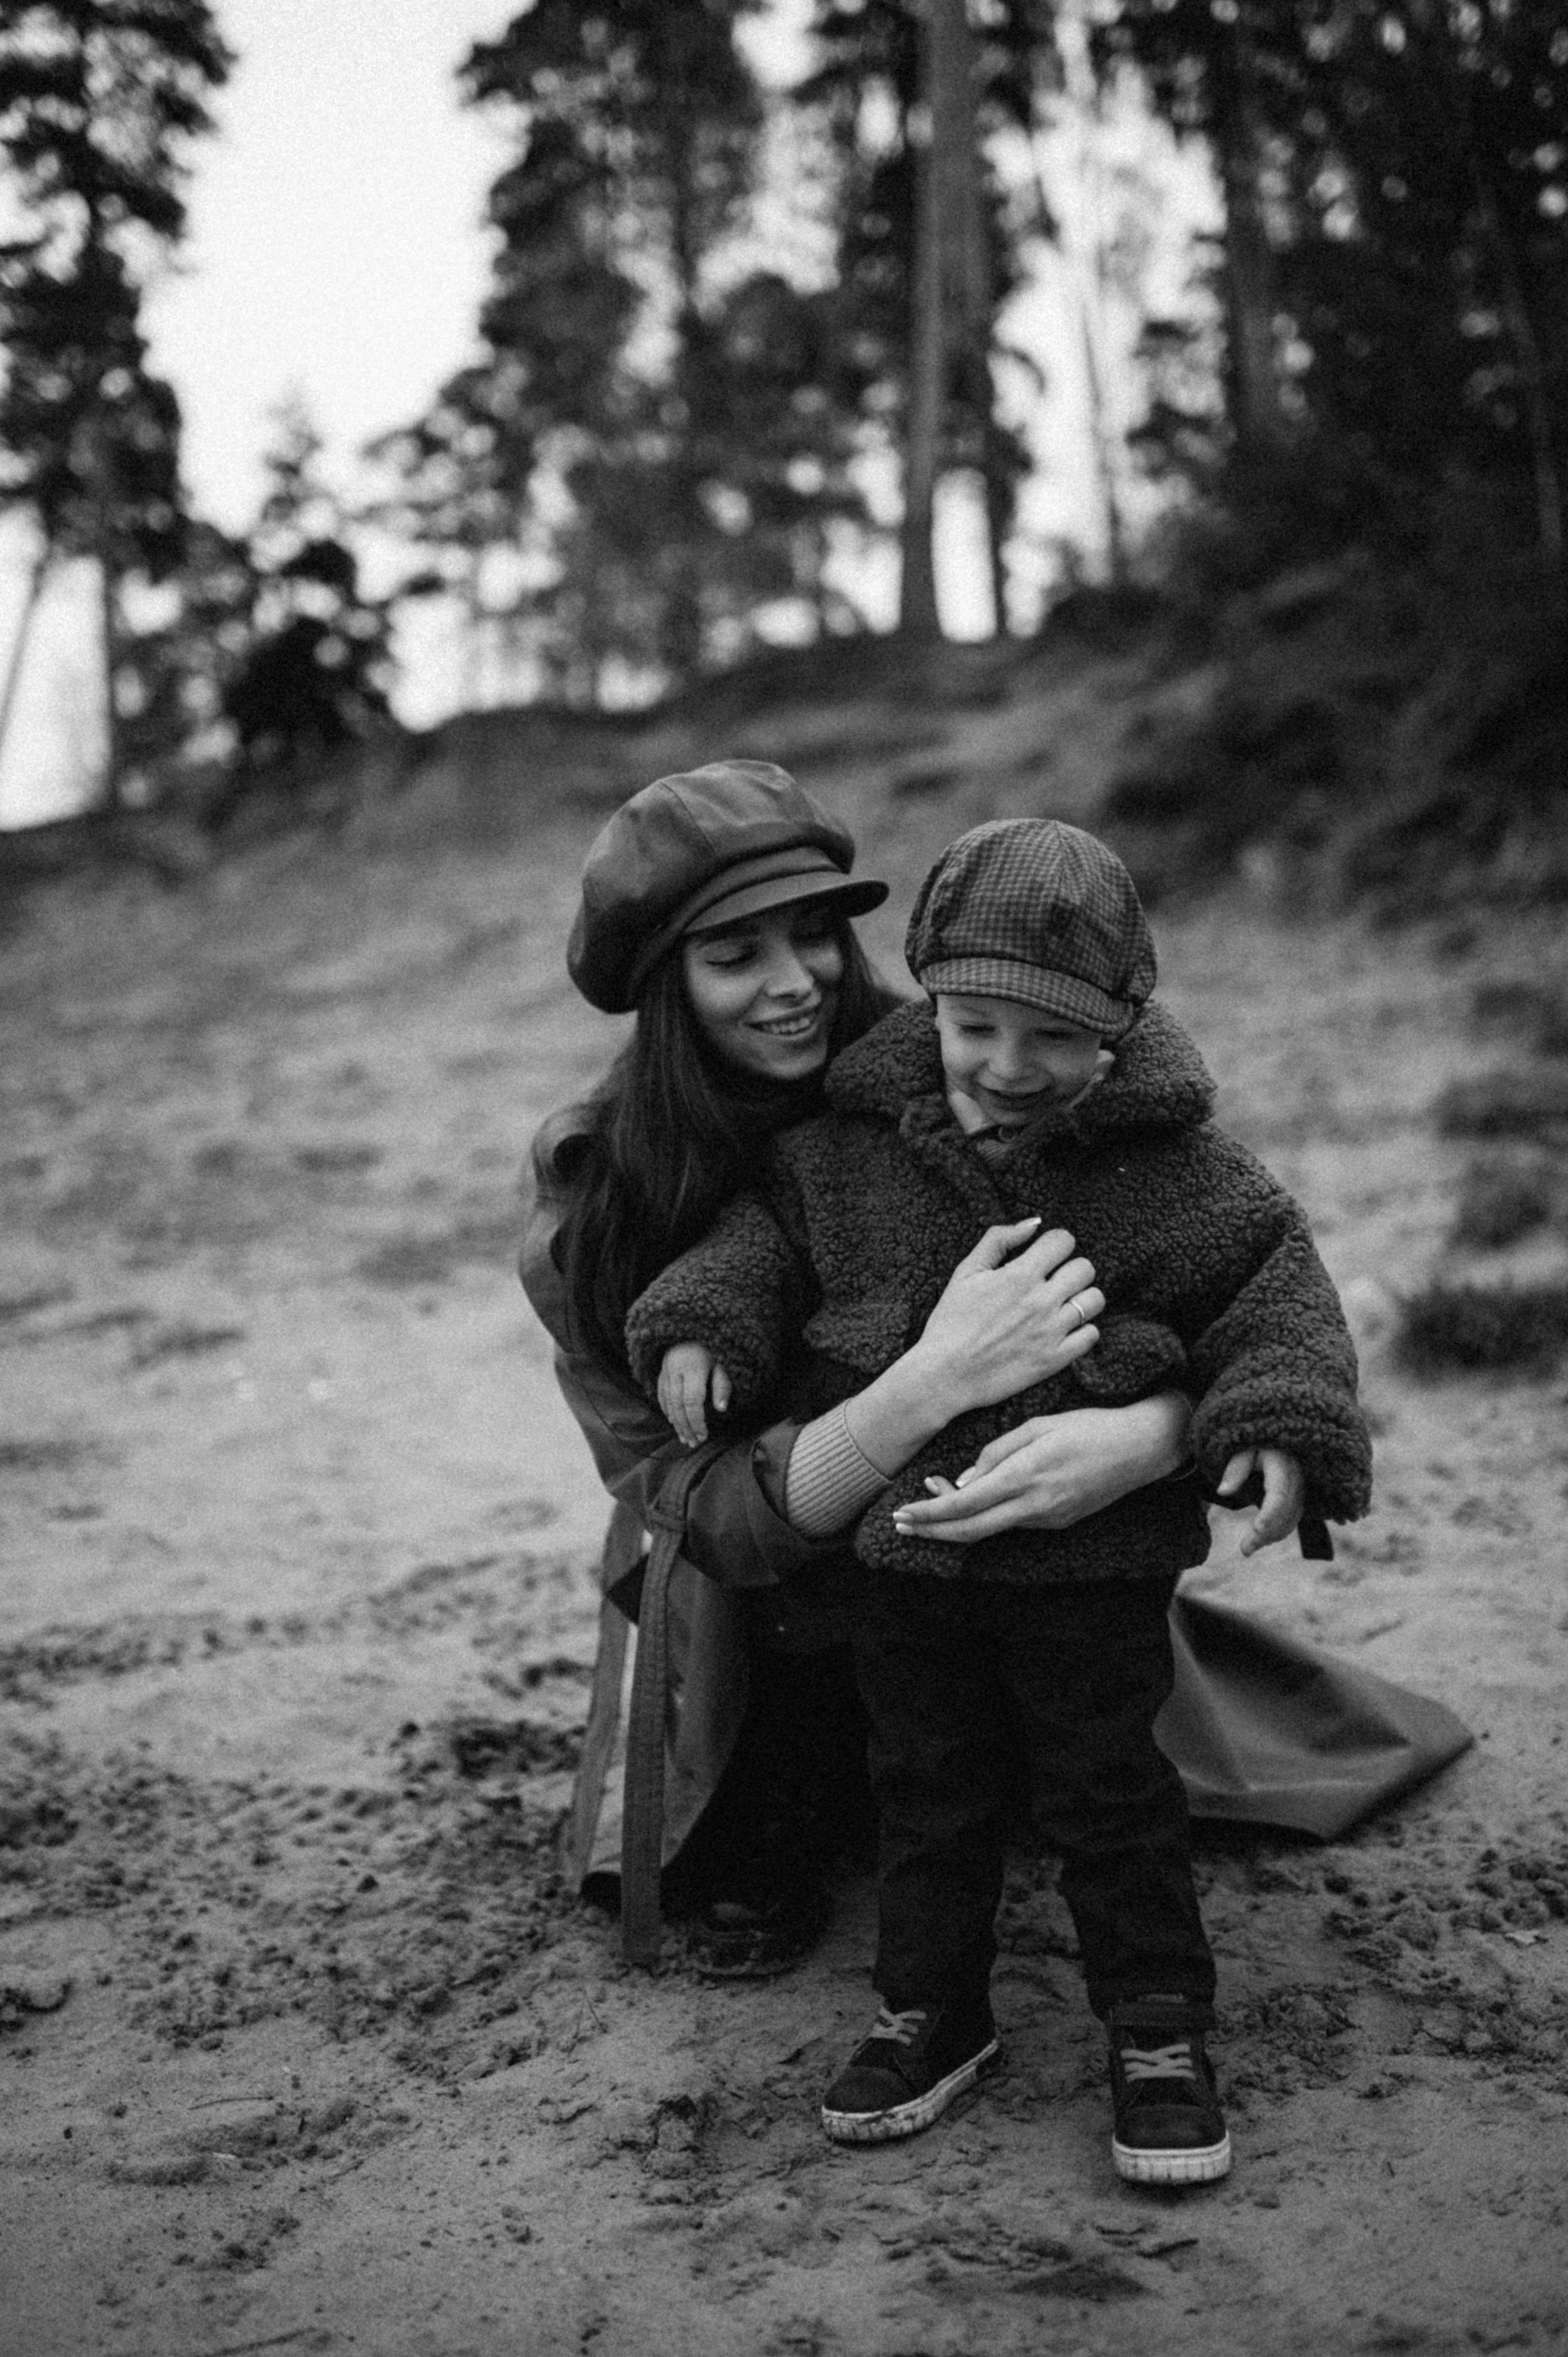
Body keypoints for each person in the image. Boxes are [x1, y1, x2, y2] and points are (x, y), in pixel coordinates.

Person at [624, 817, 1374, 2186]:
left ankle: (1154, 2027)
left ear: (1119, 1029)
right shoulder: (845, 1148)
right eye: (974, 1025)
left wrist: (1271, 1425)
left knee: (1109, 1794)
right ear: (923, 993)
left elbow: (1273, 1290)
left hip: (1089, 1571)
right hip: (900, 1561)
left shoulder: (1181, 1170)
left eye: (1054, 1039)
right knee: (926, 1790)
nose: (1009, 1070)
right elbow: (759, 1245)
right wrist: (702, 1324)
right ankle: (930, 2010)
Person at [521, 764, 1194, 1976]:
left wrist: (1146, 1438)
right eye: (735, 953)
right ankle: (775, 1816)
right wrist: (924, 1383)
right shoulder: (598, 1204)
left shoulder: (967, 1059)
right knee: (781, 1755)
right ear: (663, 982)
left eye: (814, 931)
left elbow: (1190, 1277)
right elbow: (697, 1511)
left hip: (1003, 1525)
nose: (794, 984)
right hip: (760, 1598)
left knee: (1084, 1754)